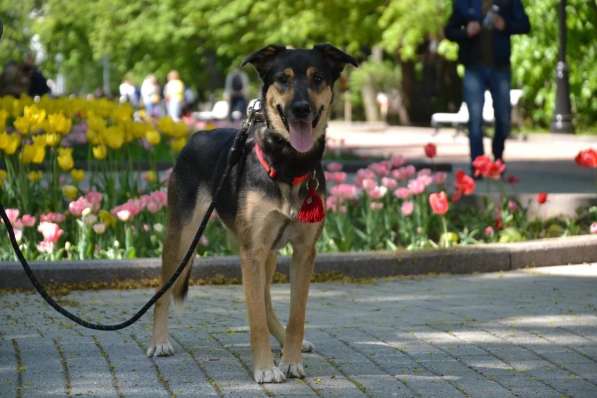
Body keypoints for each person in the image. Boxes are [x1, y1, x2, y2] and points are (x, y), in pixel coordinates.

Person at [444, 0, 530, 167]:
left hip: (500, 67)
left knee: (503, 118)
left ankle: (497, 157)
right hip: (473, 68)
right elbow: (449, 31)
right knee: (475, 120)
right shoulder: (463, 3)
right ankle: (478, 164)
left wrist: (505, 25)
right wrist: (466, 32)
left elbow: (525, 25)